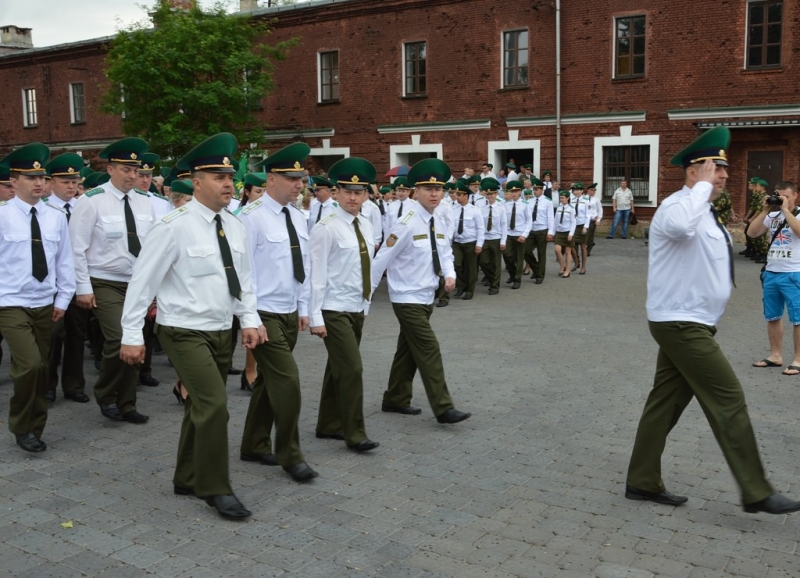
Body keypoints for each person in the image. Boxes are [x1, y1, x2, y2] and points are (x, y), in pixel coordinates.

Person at [626, 126, 800, 515]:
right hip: (680, 322)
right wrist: (701, 189)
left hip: (692, 321)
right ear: (695, 170)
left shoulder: (701, 208)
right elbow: (676, 228)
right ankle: (756, 491)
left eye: (723, 171)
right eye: (716, 169)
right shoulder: (678, 205)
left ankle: (641, 481)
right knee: (728, 397)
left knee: (665, 402)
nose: (724, 176)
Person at [120, 133, 264, 520]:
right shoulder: (173, 226)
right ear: (196, 181)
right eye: (219, 177)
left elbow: (244, 280)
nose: (228, 185)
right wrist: (132, 335)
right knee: (216, 405)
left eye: (230, 177)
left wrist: (249, 320)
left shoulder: (235, 226)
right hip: (183, 329)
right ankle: (216, 487)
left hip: (221, 329)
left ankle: (185, 476)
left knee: (200, 406)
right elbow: (142, 283)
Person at [238, 142, 318, 483]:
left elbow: (302, 266)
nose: (299, 185)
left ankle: (254, 444)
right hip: (263, 313)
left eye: (301, 178)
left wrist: (303, 308)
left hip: (287, 311)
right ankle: (290, 454)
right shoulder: (250, 218)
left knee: (270, 381)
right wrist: (250, 318)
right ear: (271, 179)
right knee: (288, 381)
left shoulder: (298, 216)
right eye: (292, 178)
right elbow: (242, 273)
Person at [371, 158, 471, 425]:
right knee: (428, 348)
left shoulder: (438, 219)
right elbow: (381, 259)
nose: (435, 194)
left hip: (427, 295)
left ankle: (395, 398)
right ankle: (443, 407)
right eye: (428, 189)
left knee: (408, 350)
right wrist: (365, 296)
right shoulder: (406, 222)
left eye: (439, 190)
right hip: (406, 297)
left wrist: (450, 274)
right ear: (416, 191)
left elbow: (446, 251)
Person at [69, 137, 154, 424]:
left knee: (135, 338)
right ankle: (106, 395)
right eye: (126, 170)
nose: (133, 176)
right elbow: (76, 249)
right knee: (118, 337)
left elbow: (154, 246)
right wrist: (83, 288)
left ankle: (127, 403)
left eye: (136, 170)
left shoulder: (146, 203)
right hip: (105, 281)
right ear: (110, 169)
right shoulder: (90, 202)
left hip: (138, 282)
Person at [0, 143, 75, 453]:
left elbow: (64, 261)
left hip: (46, 302)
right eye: (30, 178)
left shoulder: (54, 217)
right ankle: (21, 425)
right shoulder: (2, 216)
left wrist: (62, 300)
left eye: (41, 178)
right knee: (29, 365)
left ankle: (35, 427)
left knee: (42, 367)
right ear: (13, 182)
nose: (38, 183)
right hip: (10, 303)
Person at [309, 157, 379, 453]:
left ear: (366, 194)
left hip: (356, 307)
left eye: (359, 192)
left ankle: (328, 424)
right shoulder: (326, 228)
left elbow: (366, 267)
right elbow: (316, 275)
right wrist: (315, 316)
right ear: (335, 192)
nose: (353, 197)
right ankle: (355, 433)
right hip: (333, 308)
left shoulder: (365, 223)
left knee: (337, 368)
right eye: (347, 191)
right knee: (351, 369)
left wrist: (366, 305)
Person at [44, 153, 89, 404]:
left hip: (78, 280)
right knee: (52, 336)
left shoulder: (84, 205)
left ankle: (73, 385)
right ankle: (48, 384)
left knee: (76, 334)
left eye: (74, 182)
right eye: (65, 182)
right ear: (51, 183)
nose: (72, 187)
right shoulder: (45, 209)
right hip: (52, 282)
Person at [747, 181, 800, 375]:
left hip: (794, 273)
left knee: (798, 319)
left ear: (795, 195)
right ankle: (775, 355)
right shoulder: (773, 215)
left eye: (785, 196)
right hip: (771, 272)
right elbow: (752, 233)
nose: (781, 199)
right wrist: (764, 210)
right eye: (778, 195)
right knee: (773, 316)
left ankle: (798, 359)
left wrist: (786, 211)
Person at [450, 180, 485, 300]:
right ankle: (461, 286)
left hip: (470, 242)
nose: (456, 196)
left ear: (466, 196)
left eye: (459, 195)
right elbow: (451, 227)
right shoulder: (453, 209)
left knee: (471, 267)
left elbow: (480, 228)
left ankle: (469, 290)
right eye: (456, 194)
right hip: (457, 242)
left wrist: (479, 244)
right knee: (456, 264)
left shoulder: (475, 210)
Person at [478, 178, 507, 295]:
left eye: (492, 194)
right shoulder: (482, 209)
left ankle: (495, 286)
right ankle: (492, 279)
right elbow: (480, 226)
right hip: (485, 238)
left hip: (496, 238)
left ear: (496, 194)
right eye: (488, 194)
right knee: (483, 261)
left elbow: (504, 225)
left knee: (496, 263)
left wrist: (503, 241)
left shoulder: (501, 208)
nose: (490, 196)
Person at [524, 179, 554, 285]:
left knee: (541, 254)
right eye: (534, 189)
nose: (535, 191)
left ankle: (540, 276)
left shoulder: (547, 201)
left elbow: (550, 217)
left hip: (542, 230)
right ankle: (536, 269)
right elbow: (527, 217)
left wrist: (551, 232)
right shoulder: (529, 201)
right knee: (526, 251)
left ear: (542, 190)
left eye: (537, 189)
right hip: (531, 230)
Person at [502, 181, 531, 289]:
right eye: (512, 191)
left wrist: (524, 235)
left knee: (519, 258)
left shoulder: (525, 205)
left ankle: (517, 279)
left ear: (520, 192)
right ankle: (513, 274)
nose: (514, 194)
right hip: (508, 234)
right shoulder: (505, 205)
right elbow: (503, 221)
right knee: (506, 254)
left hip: (519, 234)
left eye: (516, 191)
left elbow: (529, 221)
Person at [550, 191, 577, 278]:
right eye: (560, 198)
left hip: (567, 232)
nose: (561, 200)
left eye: (562, 198)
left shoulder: (571, 208)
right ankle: (562, 266)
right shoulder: (559, 208)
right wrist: (552, 233)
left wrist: (571, 234)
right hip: (559, 232)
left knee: (567, 252)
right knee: (557, 250)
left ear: (567, 198)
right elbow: (555, 221)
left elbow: (573, 222)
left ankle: (567, 270)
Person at [585, 183, 603, 256]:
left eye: (594, 191)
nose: (594, 192)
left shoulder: (596, 199)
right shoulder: (583, 198)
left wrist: (598, 219)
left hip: (593, 220)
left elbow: (600, 210)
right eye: (592, 190)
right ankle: (590, 244)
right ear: (588, 190)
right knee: (585, 235)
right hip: (585, 220)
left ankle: (588, 250)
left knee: (590, 235)